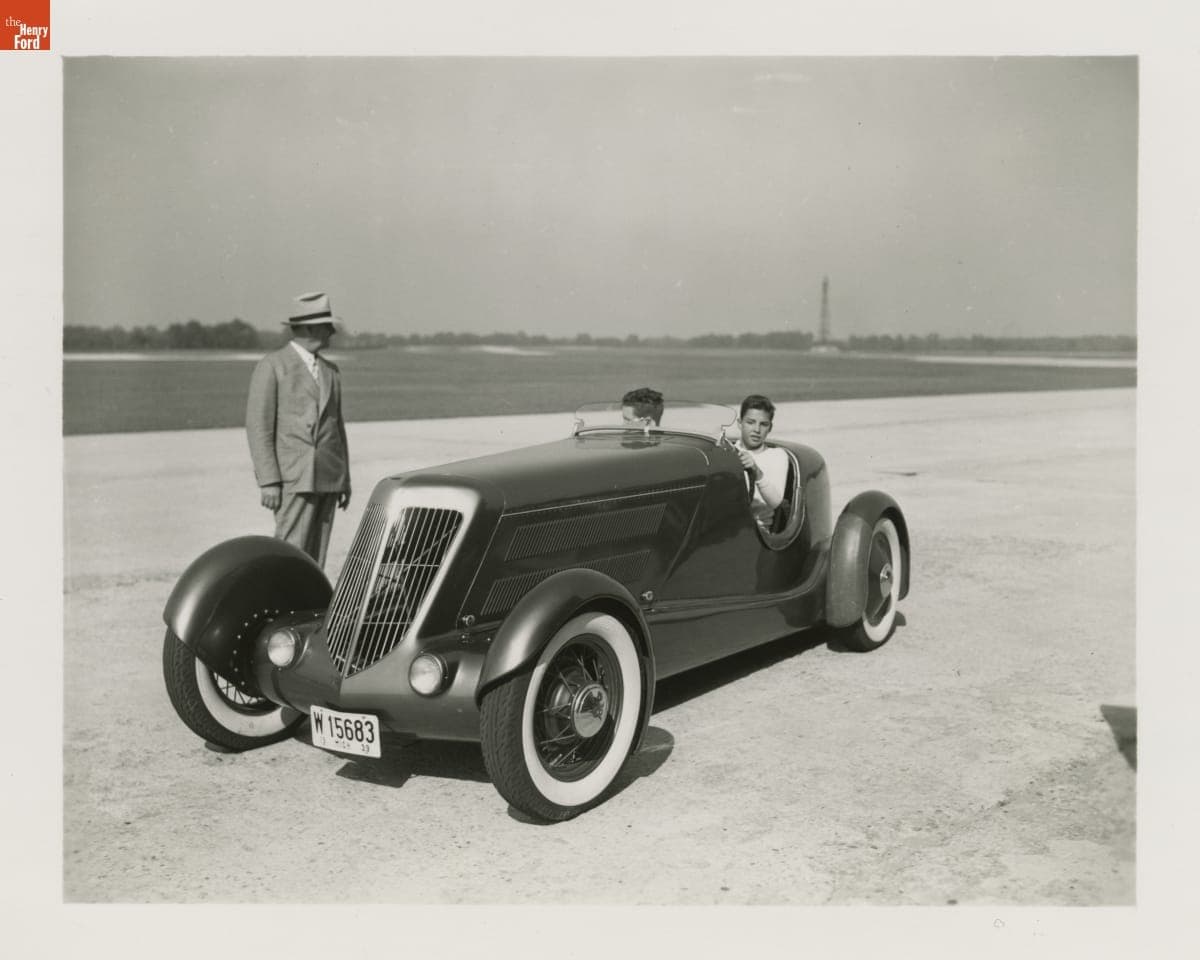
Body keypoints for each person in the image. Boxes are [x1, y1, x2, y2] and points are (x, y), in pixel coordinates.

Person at [246, 291, 351, 567]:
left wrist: (344, 478)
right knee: (289, 555)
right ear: (309, 328)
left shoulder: (332, 371)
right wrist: (269, 481)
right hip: (294, 479)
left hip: (328, 477)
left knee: (317, 559)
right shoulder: (272, 366)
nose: (332, 332)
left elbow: (337, 427)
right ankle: (281, 606)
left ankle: (311, 608)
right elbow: (259, 428)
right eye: (327, 325)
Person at [734, 394, 789, 527]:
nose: (757, 430)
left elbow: (776, 502)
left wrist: (756, 472)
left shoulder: (777, 456)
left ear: (770, 428)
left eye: (763, 424)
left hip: (757, 532)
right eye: (750, 422)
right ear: (740, 424)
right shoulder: (727, 451)